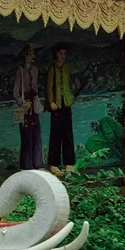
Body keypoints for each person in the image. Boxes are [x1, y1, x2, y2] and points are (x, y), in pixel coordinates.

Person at [45, 42, 77, 171]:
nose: (63, 56)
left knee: (68, 134)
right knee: (56, 134)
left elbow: (69, 84)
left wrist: (71, 96)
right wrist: (51, 101)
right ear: (56, 54)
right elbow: (49, 87)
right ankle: (54, 164)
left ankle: (69, 163)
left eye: (64, 53)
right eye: (60, 53)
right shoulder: (52, 68)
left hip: (66, 103)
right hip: (56, 105)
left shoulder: (67, 67)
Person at [12, 44, 44, 170]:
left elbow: (35, 87)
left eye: (33, 54)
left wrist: (35, 100)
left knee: (36, 132)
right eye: (30, 54)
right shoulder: (20, 71)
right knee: (26, 134)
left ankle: (38, 164)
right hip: (24, 105)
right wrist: (21, 103)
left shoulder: (35, 70)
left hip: (33, 103)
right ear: (25, 56)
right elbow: (15, 91)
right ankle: (27, 165)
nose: (32, 57)